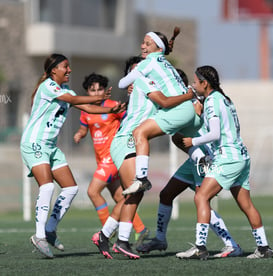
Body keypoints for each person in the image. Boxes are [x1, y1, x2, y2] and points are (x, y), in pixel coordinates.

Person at [20, 53, 125, 259]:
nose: (69, 70)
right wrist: (100, 97)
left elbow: (85, 107)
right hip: (34, 143)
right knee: (48, 186)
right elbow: (74, 100)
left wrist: (111, 109)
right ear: (53, 71)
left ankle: (50, 229)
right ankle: (39, 235)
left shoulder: (65, 89)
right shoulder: (49, 86)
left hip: (50, 146)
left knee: (71, 188)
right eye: (65, 67)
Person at [92, 56, 193, 259]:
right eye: (136, 69)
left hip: (130, 142)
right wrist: (189, 95)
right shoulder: (143, 82)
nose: (144, 69)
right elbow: (165, 101)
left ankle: (104, 236)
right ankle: (120, 241)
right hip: (126, 141)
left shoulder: (146, 85)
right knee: (134, 191)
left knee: (134, 193)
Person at [136, 70, 243, 258]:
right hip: (193, 158)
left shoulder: (191, 104)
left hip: (203, 158)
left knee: (202, 200)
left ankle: (231, 244)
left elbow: (199, 130)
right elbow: (178, 136)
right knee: (167, 194)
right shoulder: (180, 103)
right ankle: (160, 239)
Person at [177, 65, 273, 260]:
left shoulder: (212, 101)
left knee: (201, 197)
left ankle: (200, 247)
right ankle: (264, 248)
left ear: (205, 83)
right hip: (241, 156)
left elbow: (214, 133)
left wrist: (192, 141)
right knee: (246, 204)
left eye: (196, 82)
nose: (194, 85)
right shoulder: (224, 99)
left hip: (228, 158)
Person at [118, 28, 196, 196]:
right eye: (143, 42)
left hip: (179, 109)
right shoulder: (165, 62)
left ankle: (141, 178)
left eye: (148, 43)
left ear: (158, 48)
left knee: (139, 132)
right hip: (189, 109)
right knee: (179, 138)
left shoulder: (147, 63)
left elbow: (122, 83)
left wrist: (135, 79)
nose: (143, 46)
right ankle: (202, 159)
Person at [73, 73, 149, 244]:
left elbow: (130, 123)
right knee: (120, 198)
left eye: (100, 89)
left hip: (113, 158)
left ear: (105, 90)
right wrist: (79, 134)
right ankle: (140, 228)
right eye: (92, 90)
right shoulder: (86, 110)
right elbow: (84, 129)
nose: (97, 92)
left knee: (92, 191)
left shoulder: (114, 106)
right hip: (101, 161)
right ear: (87, 91)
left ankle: (107, 231)